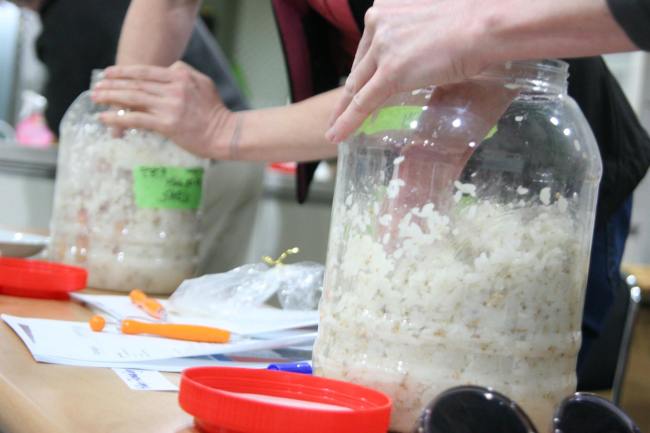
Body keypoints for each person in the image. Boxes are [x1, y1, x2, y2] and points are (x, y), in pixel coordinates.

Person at [92, 0, 650, 382]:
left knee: (490, 375)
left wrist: (226, 131)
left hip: (533, 167)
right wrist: (124, 147)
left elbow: (439, 74)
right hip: (414, 132)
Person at [13, 0, 264, 275]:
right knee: (183, 289)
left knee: (167, 286)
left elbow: (65, 112)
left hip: (197, 159)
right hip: (224, 156)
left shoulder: (69, 12)